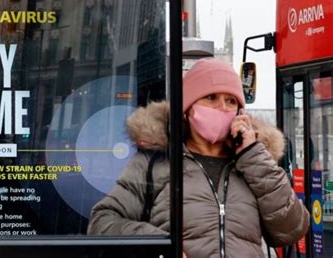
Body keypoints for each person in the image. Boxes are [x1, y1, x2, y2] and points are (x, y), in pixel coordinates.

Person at [87, 58, 310, 257]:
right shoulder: (156, 162)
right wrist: (164, 247)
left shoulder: (253, 163)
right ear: (187, 109)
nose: (222, 107)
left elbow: (292, 228)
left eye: (231, 101)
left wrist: (252, 155)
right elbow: (103, 222)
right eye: (211, 98)